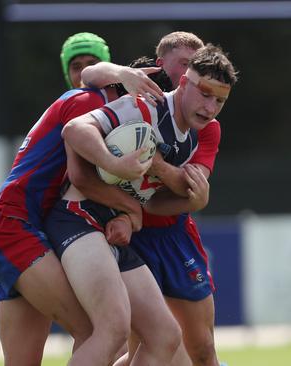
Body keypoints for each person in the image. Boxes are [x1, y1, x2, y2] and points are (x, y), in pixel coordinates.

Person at [0, 61, 163, 364]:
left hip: (10, 228)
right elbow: (83, 180)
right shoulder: (89, 104)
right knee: (98, 332)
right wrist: (131, 208)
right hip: (16, 228)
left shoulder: (82, 100)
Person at [68, 42, 238, 366]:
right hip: (100, 227)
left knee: (196, 348)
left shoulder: (197, 133)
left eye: (220, 100)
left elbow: (159, 200)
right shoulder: (143, 109)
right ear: (183, 80)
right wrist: (114, 163)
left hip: (161, 232)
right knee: (141, 341)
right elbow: (75, 129)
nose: (211, 106)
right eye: (205, 94)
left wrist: (193, 199)